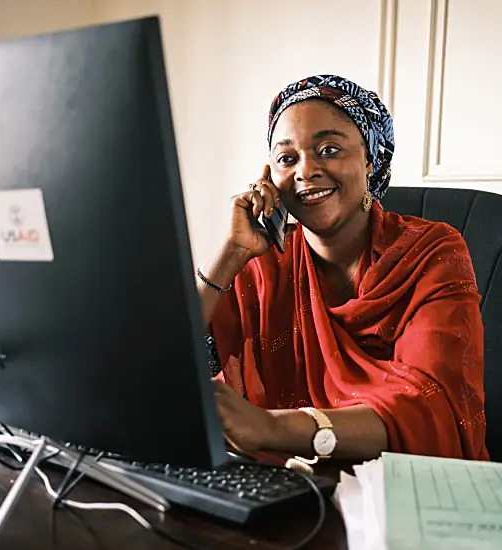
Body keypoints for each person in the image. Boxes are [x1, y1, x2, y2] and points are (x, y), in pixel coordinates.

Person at [197, 75, 488, 463]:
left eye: (329, 149)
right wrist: (229, 256)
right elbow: (163, 366)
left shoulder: (432, 253)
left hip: (403, 492)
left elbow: (427, 412)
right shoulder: (262, 268)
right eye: (287, 158)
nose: (306, 170)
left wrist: (274, 428)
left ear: (370, 160)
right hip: (283, 487)